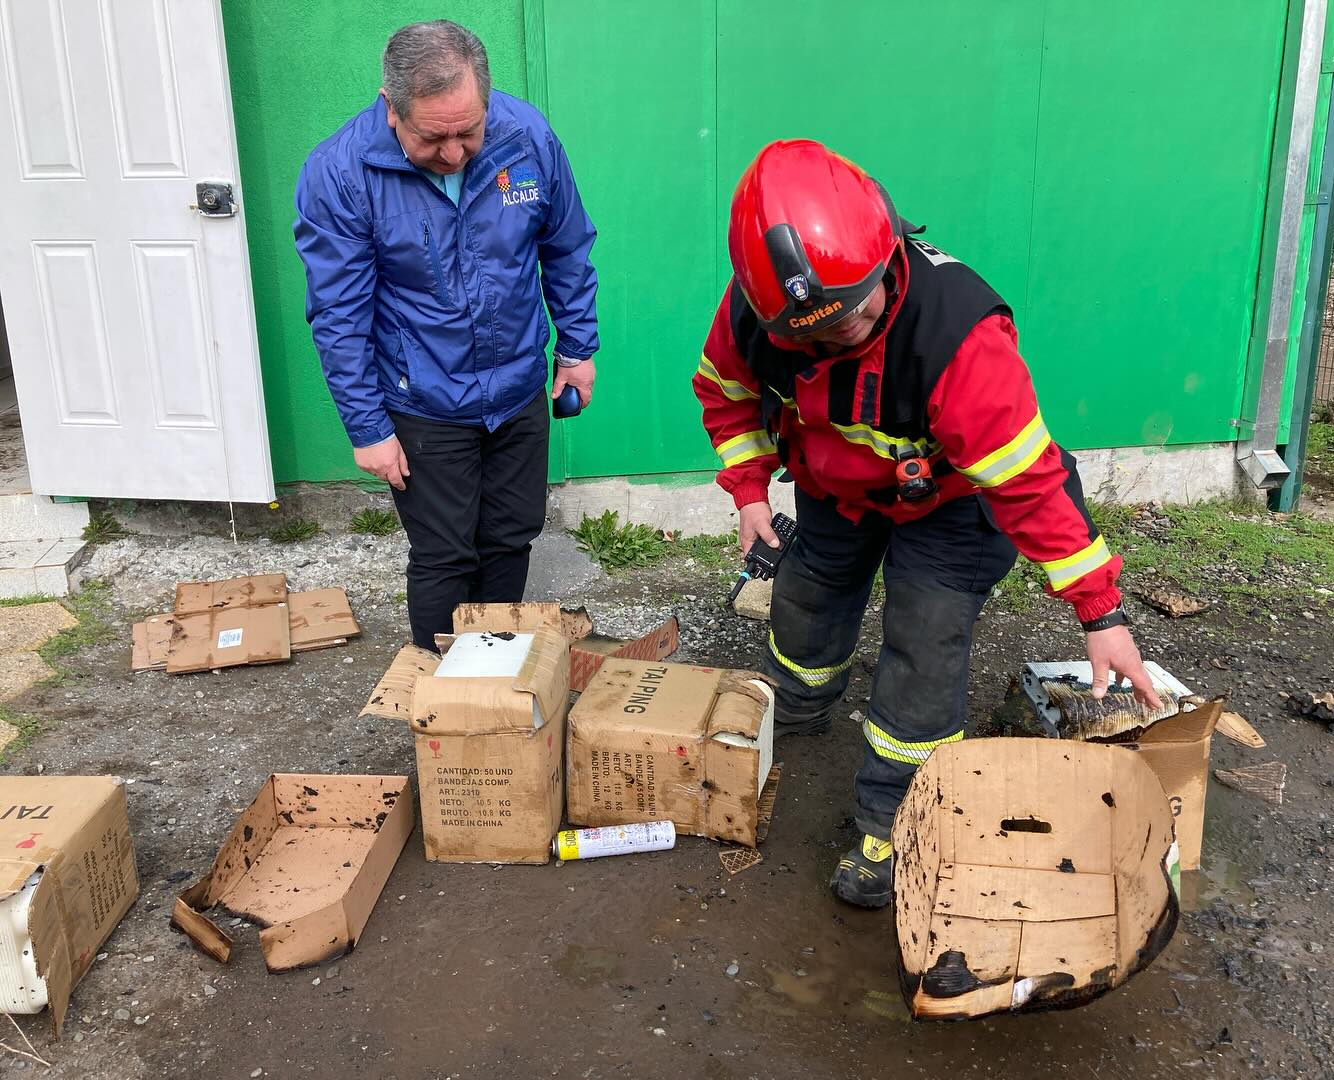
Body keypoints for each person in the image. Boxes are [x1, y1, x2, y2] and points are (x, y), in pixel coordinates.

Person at [693, 140, 1162, 910]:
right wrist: (749, 491)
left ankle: (895, 817)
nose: (837, 335)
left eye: (854, 314)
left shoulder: (958, 336)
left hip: (953, 508)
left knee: (924, 642)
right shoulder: (761, 310)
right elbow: (725, 393)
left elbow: (1029, 484)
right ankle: (801, 705)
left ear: (888, 256)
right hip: (839, 489)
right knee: (809, 595)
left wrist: (1100, 612)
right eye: (811, 333)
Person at [294, 20, 598, 650]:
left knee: (512, 535)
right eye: (434, 137)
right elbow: (339, 313)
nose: (456, 153)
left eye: (470, 131)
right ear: (391, 108)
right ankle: (442, 707)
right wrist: (368, 428)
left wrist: (575, 349)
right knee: (445, 553)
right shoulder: (341, 173)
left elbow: (565, 246)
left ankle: (492, 679)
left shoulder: (526, 138)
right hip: (423, 399)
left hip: (516, 387)